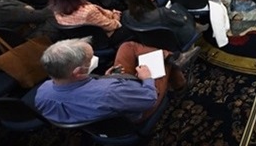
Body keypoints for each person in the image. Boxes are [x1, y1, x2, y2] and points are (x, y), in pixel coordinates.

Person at [35, 37, 167, 124]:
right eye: (90, 60)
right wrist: (147, 78)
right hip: (134, 111)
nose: (93, 60)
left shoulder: (41, 93)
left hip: (108, 101)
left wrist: (104, 78)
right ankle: (179, 82)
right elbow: (149, 99)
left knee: (127, 47)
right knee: (164, 62)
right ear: (78, 72)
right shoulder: (110, 92)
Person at [47, 0, 131, 47]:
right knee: (130, 15)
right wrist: (116, 15)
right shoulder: (88, 11)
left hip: (84, 41)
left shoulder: (57, 12)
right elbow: (112, 26)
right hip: (105, 39)